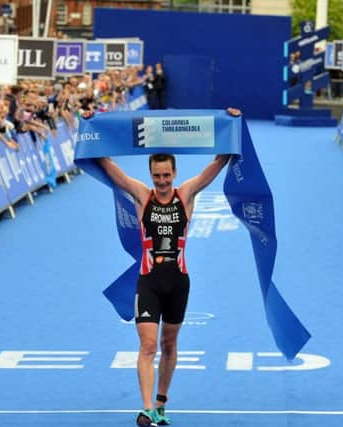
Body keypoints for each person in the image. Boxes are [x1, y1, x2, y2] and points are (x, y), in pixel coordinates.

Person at [93, 108, 241, 427]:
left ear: (174, 173)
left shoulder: (185, 194)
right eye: (157, 176)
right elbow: (107, 165)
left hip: (178, 283)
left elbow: (218, 162)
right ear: (151, 175)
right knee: (147, 345)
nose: (161, 181)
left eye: (166, 176)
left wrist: (231, 122)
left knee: (169, 344)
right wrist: (92, 123)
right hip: (147, 282)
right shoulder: (142, 195)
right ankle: (146, 408)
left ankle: (161, 402)